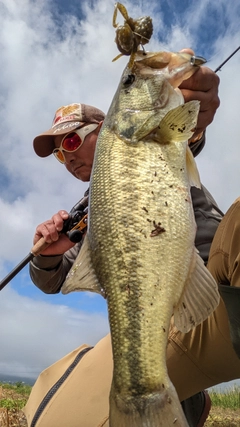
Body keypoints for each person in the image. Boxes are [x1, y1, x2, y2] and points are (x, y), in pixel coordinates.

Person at [24, 59, 240, 427]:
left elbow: (183, 134)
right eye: (60, 153)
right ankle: (183, 400)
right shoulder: (90, 223)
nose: (68, 157)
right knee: (48, 417)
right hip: (164, 328)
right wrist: (46, 257)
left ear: (105, 127)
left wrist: (195, 113)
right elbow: (51, 280)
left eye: (72, 139)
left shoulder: (150, 142)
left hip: (218, 288)